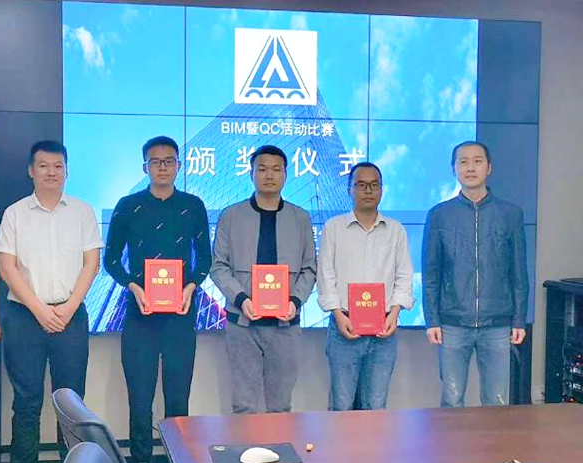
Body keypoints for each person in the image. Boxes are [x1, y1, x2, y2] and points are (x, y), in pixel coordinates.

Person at [103, 136, 211, 463]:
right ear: (144, 167)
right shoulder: (128, 206)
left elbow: (205, 259)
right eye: (155, 161)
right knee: (140, 397)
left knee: (178, 397)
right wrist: (133, 286)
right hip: (141, 314)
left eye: (169, 161)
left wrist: (190, 287)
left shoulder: (193, 206)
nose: (162, 167)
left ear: (179, 165)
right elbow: (110, 260)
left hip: (180, 315)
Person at [0, 140, 102, 463]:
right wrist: (40, 310)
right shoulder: (14, 213)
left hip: (71, 316)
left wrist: (69, 308)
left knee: (70, 401)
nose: (51, 172)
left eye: (58, 166)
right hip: (25, 317)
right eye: (43, 166)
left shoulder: (83, 211)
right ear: (31, 171)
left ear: (67, 171)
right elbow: (7, 267)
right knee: (26, 401)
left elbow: (92, 263)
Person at [210, 145, 316, 413]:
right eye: (262, 169)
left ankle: (279, 445)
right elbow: (218, 266)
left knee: (280, 408)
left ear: (285, 175)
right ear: (251, 174)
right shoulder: (231, 216)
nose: (269, 175)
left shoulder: (300, 218)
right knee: (244, 407)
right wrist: (241, 299)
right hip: (242, 325)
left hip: (285, 326)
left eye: (276, 169)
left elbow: (309, 269)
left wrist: (295, 301)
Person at [423, 140, 528, 407]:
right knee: (451, 400)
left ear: (489, 168)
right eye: (463, 162)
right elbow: (432, 273)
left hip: (498, 324)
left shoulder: (510, 214)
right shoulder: (439, 216)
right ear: (454, 169)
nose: (470, 168)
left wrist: (519, 320)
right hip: (453, 323)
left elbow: (519, 273)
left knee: (497, 401)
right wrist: (432, 320)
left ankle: (493, 439)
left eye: (477, 161)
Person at [317, 162, 414, 411]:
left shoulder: (396, 230)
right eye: (361, 185)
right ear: (349, 189)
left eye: (374, 185)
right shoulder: (333, 228)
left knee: (375, 406)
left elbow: (404, 275)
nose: (368, 190)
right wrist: (338, 315)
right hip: (344, 326)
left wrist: (394, 314)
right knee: (341, 405)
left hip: (383, 330)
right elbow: (325, 275)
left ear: (382, 189)